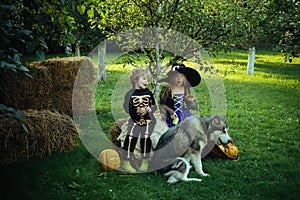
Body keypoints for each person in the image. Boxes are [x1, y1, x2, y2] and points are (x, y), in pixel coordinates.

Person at [122, 67, 157, 173]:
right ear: (135, 80)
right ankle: (126, 161)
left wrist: (149, 109)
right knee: (131, 137)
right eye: (144, 79)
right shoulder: (130, 94)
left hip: (148, 120)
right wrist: (137, 110)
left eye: (148, 80)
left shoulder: (149, 93)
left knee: (146, 138)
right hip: (135, 120)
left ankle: (145, 161)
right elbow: (126, 107)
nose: (147, 81)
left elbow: (154, 106)